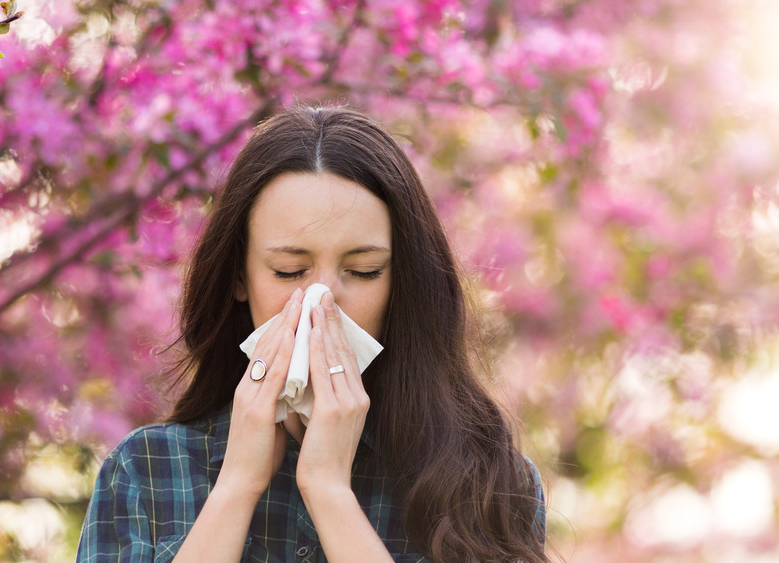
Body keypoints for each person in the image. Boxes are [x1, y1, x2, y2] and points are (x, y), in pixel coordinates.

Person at [76, 106, 549, 562]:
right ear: (239, 276)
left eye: (363, 271)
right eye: (289, 270)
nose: (323, 301)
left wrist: (329, 492)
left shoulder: (487, 485)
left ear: (400, 280)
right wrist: (237, 484)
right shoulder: (144, 473)